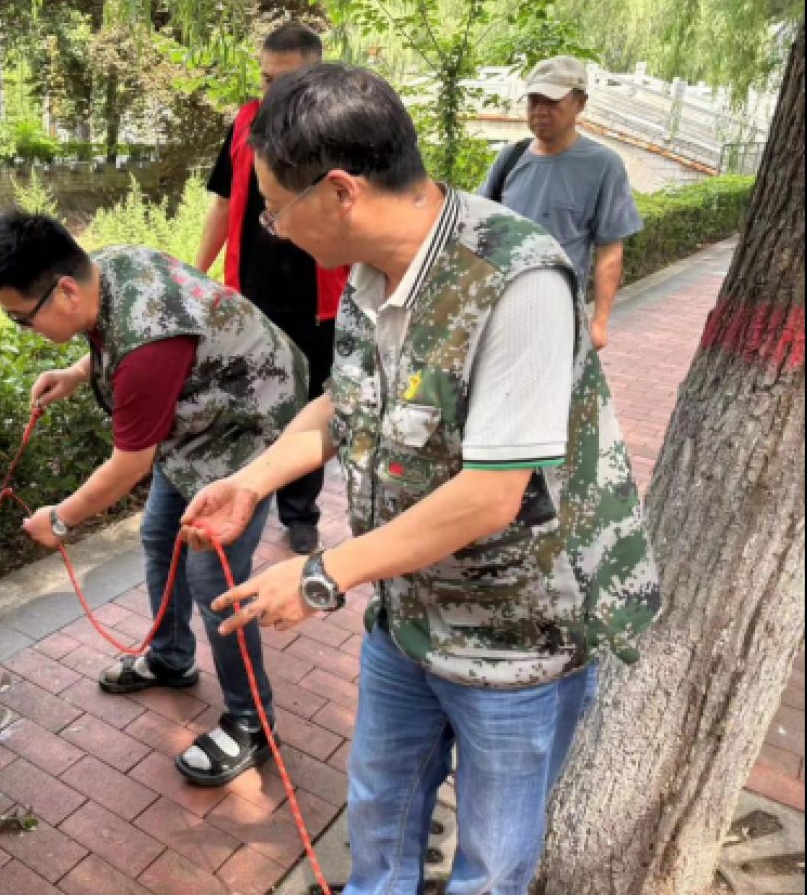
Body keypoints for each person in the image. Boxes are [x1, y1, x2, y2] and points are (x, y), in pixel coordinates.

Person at [181, 63, 662, 894]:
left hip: (519, 640)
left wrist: (323, 575)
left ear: (340, 192)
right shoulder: (371, 276)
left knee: (492, 862)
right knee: (380, 817)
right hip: (408, 618)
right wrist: (252, 482)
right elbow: (346, 404)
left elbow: (491, 494)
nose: (272, 229)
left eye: (275, 208)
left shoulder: (518, 280)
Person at [0, 213, 307, 786]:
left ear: (65, 290)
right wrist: (78, 372)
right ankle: (171, 659)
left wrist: (62, 520)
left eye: (22, 318)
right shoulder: (105, 268)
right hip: (196, 420)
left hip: (247, 426)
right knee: (158, 535)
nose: (23, 329)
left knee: (214, 580)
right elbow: (115, 335)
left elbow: (129, 465)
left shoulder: (149, 347)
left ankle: (253, 723)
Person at [196, 20, 349, 555]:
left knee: (311, 405)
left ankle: (300, 511)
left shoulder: (340, 132)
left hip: (318, 302)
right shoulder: (245, 124)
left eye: (287, 82)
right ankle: (244, 498)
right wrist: (197, 277)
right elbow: (222, 205)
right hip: (249, 297)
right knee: (246, 405)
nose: (274, 93)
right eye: (266, 80)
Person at [478, 55, 643, 351]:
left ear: (580, 103)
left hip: (559, 315)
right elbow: (479, 227)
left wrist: (600, 322)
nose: (540, 112)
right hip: (499, 312)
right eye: (534, 102)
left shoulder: (603, 166)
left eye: (552, 103)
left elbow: (609, 250)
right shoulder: (510, 158)